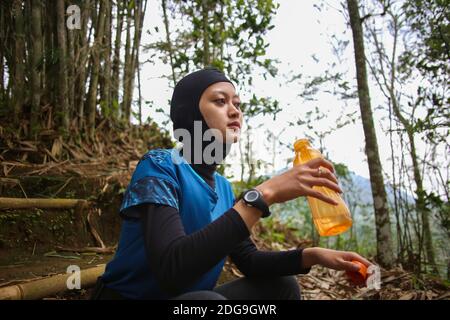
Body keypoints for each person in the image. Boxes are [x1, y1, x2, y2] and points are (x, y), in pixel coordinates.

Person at [91, 68, 372, 300]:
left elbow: (249, 260)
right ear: (191, 113)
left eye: (237, 103)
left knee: (281, 287)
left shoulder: (223, 188)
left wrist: (315, 255)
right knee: (207, 302)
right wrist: (264, 194)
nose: (235, 111)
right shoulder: (161, 166)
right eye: (220, 101)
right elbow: (171, 268)